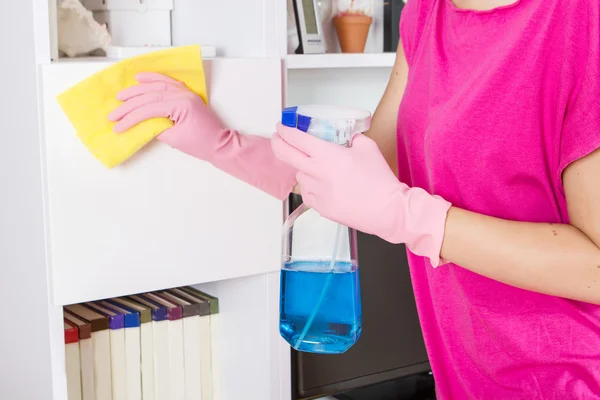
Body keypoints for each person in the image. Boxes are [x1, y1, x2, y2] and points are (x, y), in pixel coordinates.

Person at [108, 0, 600, 397]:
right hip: (469, 375)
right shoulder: (426, 15)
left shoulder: (582, 21)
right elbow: (363, 173)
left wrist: (411, 217)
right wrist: (223, 144)